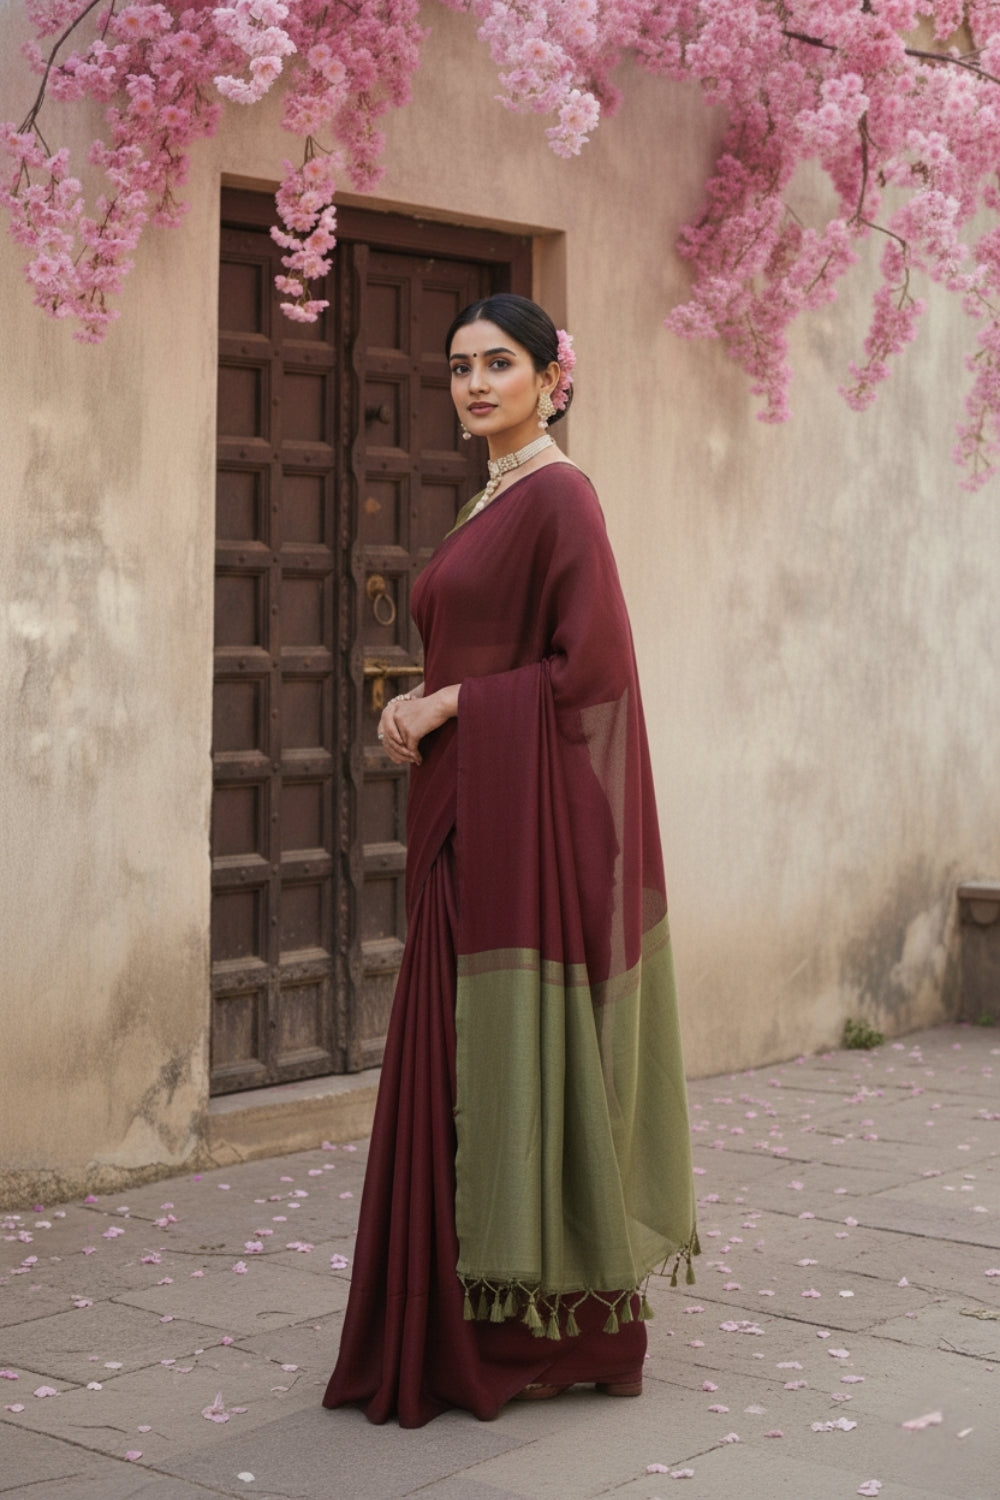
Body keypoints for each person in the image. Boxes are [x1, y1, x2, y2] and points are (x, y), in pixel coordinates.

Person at [323, 293, 698, 1428]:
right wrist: (415, 708)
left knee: (498, 1063)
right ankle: (451, 1311)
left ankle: (530, 1331)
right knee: (446, 1063)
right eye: (457, 368)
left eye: (499, 363)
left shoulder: (560, 497)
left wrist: (451, 704)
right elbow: (481, 653)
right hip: (466, 809)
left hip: (521, 823)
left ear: (550, 376)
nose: (474, 383)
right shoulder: (490, 498)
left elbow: (589, 675)